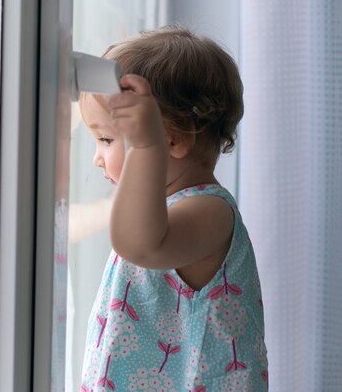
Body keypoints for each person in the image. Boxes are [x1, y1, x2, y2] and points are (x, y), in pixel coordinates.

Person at [79, 26, 268, 392]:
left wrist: (145, 149)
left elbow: (140, 245)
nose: (96, 158)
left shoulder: (209, 211)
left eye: (105, 139)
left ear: (173, 138)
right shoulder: (167, 210)